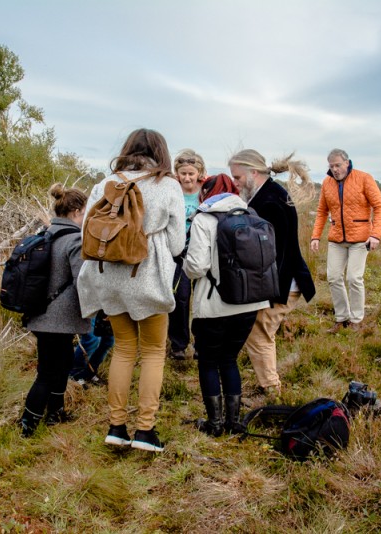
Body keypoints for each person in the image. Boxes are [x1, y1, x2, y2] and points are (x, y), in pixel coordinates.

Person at [78, 128, 186, 452]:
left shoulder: (104, 184)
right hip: (147, 276)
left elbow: (86, 230)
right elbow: (179, 244)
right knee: (153, 352)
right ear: (161, 152)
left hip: (108, 276)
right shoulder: (167, 185)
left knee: (124, 349)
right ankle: (144, 431)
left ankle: (115, 427)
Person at [184, 174, 270, 436]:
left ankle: (215, 424)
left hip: (214, 305)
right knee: (230, 359)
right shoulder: (252, 214)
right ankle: (233, 422)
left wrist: (185, 266)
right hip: (249, 302)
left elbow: (197, 266)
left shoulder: (204, 218)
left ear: (206, 193)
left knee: (209, 362)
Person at [227, 149, 316, 397]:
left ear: (253, 172)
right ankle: (269, 385)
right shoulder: (266, 194)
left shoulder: (270, 202)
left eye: (238, 177)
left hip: (282, 281)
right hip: (279, 279)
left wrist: (272, 290)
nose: (235, 183)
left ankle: (272, 390)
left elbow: (275, 251)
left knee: (259, 332)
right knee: (261, 331)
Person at [20, 183, 91, 437]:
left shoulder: (45, 233)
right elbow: (83, 279)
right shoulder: (75, 239)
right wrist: (98, 309)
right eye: (85, 212)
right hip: (59, 318)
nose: (87, 217)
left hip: (40, 313)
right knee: (48, 372)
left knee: (61, 363)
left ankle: (55, 412)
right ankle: (28, 423)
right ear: (75, 211)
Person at [310, 149, 381, 333]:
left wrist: (375, 234)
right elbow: (322, 212)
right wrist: (315, 236)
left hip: (361, 239)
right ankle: (342, 318)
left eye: (337, 165)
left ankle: (356, 320)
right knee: (334, 277)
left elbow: (380, 206)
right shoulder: (327, 183)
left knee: (354, 278)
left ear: (347, 162)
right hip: (336, 239)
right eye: (331, 166)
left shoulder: (364, 178)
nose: (335, 169)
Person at [168, 149, 206, 360]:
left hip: (200, 251)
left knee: (201, 300)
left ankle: (201, 343)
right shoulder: (173, 192)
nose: (187, 177)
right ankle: (178, 345)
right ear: (177, 173)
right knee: (180, 298)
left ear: (199, 172)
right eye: (183, 173)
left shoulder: (205, 192)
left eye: (191, 173)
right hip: (178, 253)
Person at [70, 311, 114, 387]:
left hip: (108, 304)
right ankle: (75, 375)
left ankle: (90, 373)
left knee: (109, 340)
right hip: (89, 303)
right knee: (93, 339)